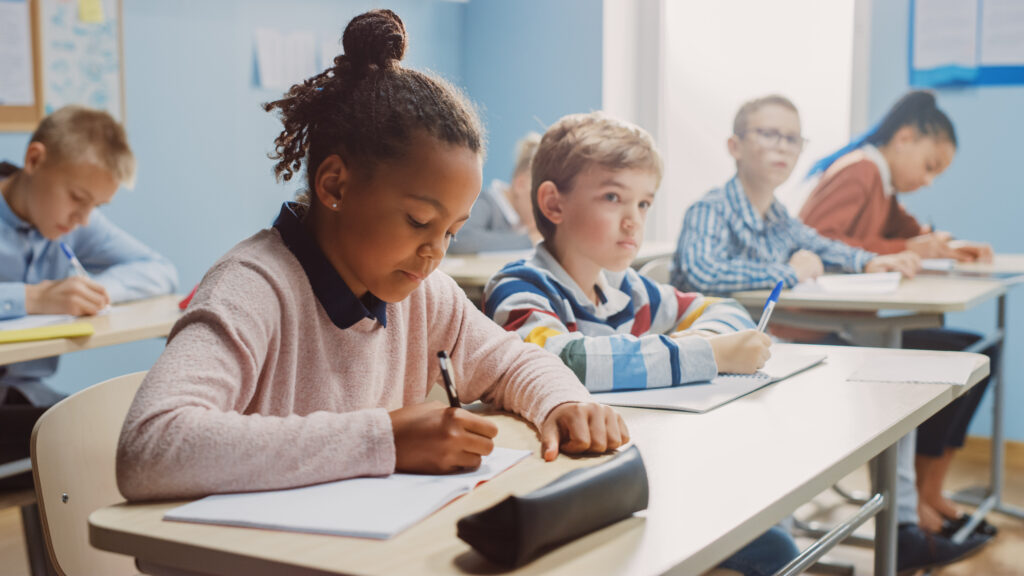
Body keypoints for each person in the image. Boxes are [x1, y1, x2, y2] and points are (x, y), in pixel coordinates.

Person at [116, 10, 627, 502]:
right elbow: (150, 446)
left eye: (452, 231)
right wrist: (382, 439)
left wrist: (566, 401)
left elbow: (514, 363)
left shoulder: (425, 296)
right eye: (418, 222)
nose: (434, 253)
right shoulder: (252, 287)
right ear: (335, 184)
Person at [672, 94, 990, 573]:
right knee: (874, 374)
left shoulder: (777, 216)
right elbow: (699, 271)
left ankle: (887, 526)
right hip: (728, 355)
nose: (783, 147)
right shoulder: (710, 209)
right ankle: (812, 533)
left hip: (767, 347)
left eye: (793, 138)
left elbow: (822, 244)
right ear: (735, 145)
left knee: (892, 373)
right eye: (768, 134)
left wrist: (869, 259)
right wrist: (786, 270)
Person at [484, 111, 794, 576]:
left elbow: (723, 310)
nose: (633, 222)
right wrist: (709, 354)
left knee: (773, 546)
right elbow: (562, 361)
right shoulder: (517, 286)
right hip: (556, 494)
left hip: (629, 475)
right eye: (613, 198)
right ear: (553, 204)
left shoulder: (626, 289)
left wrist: (709, 337)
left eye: (645, 204)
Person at [801, 90, 998, 540]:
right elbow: (817, 244)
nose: (930, 181)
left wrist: (948, 245)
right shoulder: (862, 171)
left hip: (847, 325)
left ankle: (929, 494)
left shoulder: (879, 182)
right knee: (955, 356)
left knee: (976, 354)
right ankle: (914, 511)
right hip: (814, 330)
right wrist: (908, 248)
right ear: (905, 138)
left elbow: (908, 232)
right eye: (930, 166)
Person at [0, 106, 177, 488]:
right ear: (34, 160)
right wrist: (31, 298)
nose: (82, 219)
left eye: (95, 207)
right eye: (78, 198)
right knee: (89, 439)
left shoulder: (72, 220)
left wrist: (94, 292)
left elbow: (159, 270)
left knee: (125, 430)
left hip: (26, 398)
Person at [448, 132, 541, 254]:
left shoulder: (521, 222)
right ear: (521, 185)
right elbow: (460, 240)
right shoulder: (487, 202)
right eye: (540, 198)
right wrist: (530, 239)